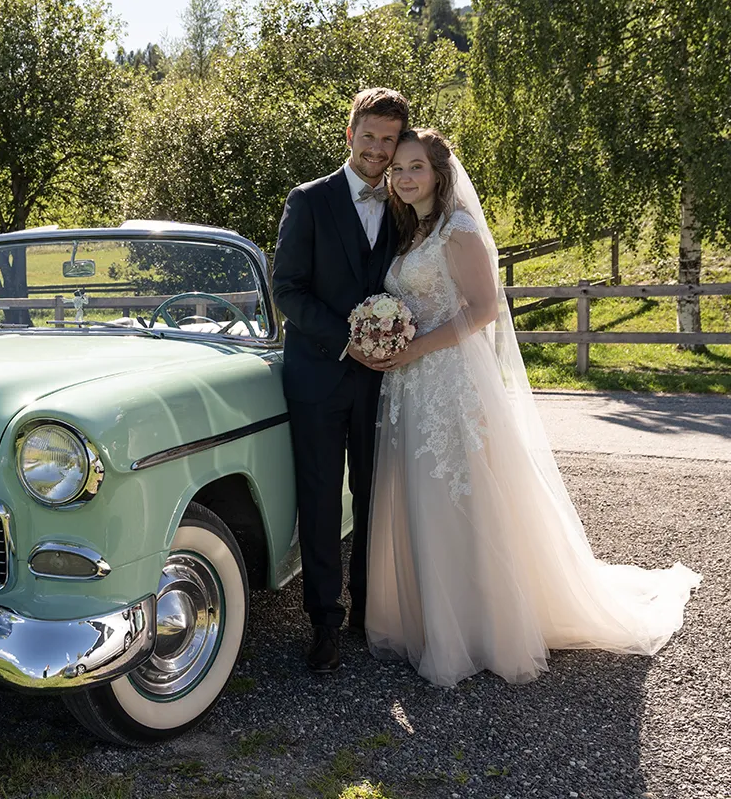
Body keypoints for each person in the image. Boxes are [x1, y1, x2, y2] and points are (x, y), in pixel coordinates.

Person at [364, 128, 701, 686]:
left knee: (460, 495)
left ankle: (482, 628)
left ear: (439, 173)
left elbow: (483, 310)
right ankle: (432, 621)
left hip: (450, 381)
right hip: (411, 385)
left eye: (415, 166)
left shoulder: (458, 229)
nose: (403, 177)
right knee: (423, 496)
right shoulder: (412, 232)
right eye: (397, 168)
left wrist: (415, 347)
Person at [271, 87, 409, 673]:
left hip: (387, 380)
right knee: (322, 499)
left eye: (389, 139)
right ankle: (324, 621)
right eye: (369, 135)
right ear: (350, 134)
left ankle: (368, 609)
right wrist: (349, 338)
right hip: (318, 376)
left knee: (378, 496)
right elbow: (287, 289)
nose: (377, 149)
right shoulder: (308, 200)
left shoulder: (405, 204)